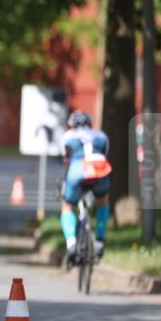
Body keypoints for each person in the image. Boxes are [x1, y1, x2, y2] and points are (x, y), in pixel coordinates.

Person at [60, 110, 112, 263]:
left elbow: (66, 159)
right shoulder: (101, 135)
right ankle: (100, 240)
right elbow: (104, 153)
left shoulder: (67, 136)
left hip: (78, 169)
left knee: (68, 205)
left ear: (72, 125)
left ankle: (71, 243)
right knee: (103, 200)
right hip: (99, 167)